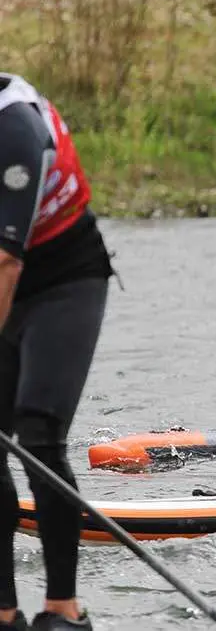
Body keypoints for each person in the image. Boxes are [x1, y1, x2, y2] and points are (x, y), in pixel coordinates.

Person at [0, 74, 115, 631]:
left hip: (63, 283)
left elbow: (6, 262)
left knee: (38, 437)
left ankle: (63, 609)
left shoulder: (14, 128)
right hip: (8, 276)